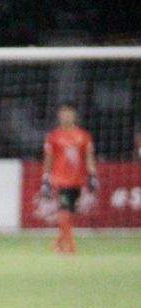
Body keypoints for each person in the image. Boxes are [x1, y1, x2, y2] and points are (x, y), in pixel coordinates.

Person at [41, 103, 97, 255]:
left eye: (69, 113)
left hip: (78, 181)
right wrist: (46, 179)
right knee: (64, 212)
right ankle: (71, 249)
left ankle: (57, 245)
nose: (66, 116)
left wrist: (92, 175)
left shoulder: (83, 136)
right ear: (59, 116)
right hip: (60, 180)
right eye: (63, 113)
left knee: (70, 215)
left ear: (74, 116)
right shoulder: (53, 136)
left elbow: (89, 157)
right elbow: (49, 159)